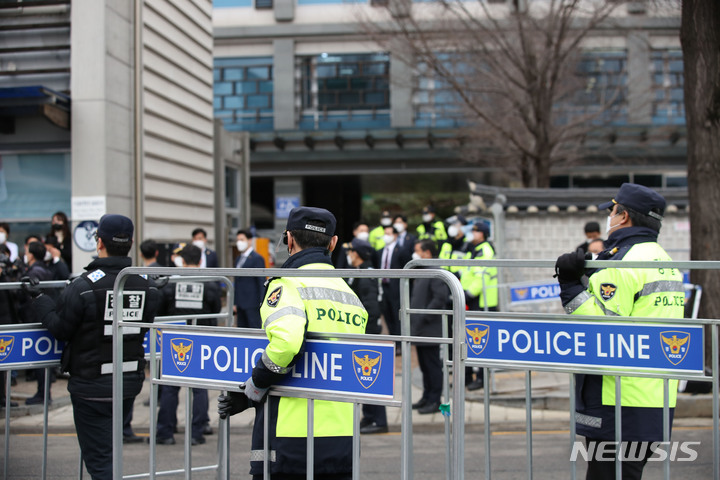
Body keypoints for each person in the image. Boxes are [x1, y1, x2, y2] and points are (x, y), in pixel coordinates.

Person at [217, 206, 368, 479]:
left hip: (291, 438)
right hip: (343, 435)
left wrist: (254, 386)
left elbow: (286, 344)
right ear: (333, 243)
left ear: (289, 240)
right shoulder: (350, 295)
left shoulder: (287, 284)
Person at [555, 183, 684, 480]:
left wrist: (569, 285)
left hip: (618, 400)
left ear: (623, 217)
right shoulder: (665, 261)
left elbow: (600, 330)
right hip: (655, 397)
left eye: (612, 211)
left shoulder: (620, 263)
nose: (609, 217)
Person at [28, 214, 160, 480]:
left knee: (100, 462)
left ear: (99, 242)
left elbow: (61, 329)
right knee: (108, 453)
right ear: (131, 243)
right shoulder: (147, 286)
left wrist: (40, 300)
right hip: (127, 384)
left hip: (90, 387)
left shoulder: (83, 286)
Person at [156, 244, 221, 445]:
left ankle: (165, 432)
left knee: (169, 387)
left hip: (174, 339)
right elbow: (216, 312)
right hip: (201, 338)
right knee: (200, 388)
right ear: (200, 260)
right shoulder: (209, 284)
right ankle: (197, 431)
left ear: (182, 261)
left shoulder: (169, 284)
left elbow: (162, 311)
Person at [345, 238, 387, 434]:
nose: (349, 254)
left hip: (367, 330)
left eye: (351, 251)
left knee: (369, 376)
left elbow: (370, 307)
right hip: (362, 330)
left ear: (357, 254)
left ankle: (379, 421)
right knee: (362, 377)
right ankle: (369, 416)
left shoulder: (366, 275)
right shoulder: (360, 272)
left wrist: (363, 332)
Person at [410, 239, 449, 415]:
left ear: (426, 253)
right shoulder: (422, 271)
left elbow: (439, 298)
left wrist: (424, 315)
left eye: (417, 250)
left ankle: (435, 400)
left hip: (430, 328)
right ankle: (426, 396)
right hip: (420, 328)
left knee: (433, 366)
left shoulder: (436, 272)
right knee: (424, 366)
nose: (415, 253)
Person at [460, 222, 498, 391]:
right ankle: (467, 377)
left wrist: (469, 293)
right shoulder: (472, 249)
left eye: (475, 231)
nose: (472, 234)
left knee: (480, 341)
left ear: (483, 233)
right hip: (469, 298)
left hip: (481, 301)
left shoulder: (486, 250)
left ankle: (481, 378)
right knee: (466, 339)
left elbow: (483, 275)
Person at [18, 240, 54, 405]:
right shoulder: (43, 269)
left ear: (31, 255)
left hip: (36, 319)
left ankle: (43, 394)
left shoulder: (35, 272)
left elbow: (27, 297)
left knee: (40, 359)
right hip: (42, 317)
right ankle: (44, 393)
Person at [376, 225, 411, 340]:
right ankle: (392, 339)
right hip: (383, 287)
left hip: (396, 288)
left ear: (395, 235)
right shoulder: (380, 252)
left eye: (389, 234)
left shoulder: (402, 251)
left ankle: (399, 341)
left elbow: (408, 270)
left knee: (397, 315)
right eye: (385, 233)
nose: (386, 236)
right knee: (387, 314)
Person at [233, 229, 266, 329]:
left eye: (242, 240)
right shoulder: (238, 259)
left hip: (252, 303)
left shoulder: (257, 258)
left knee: (253, 328)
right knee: (241, 329)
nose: (239, 242)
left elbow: (261, 282)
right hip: (240, 303)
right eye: (238, 240)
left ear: (250, 240)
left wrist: (262, 302)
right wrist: (235, 302)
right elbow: (237, 283)